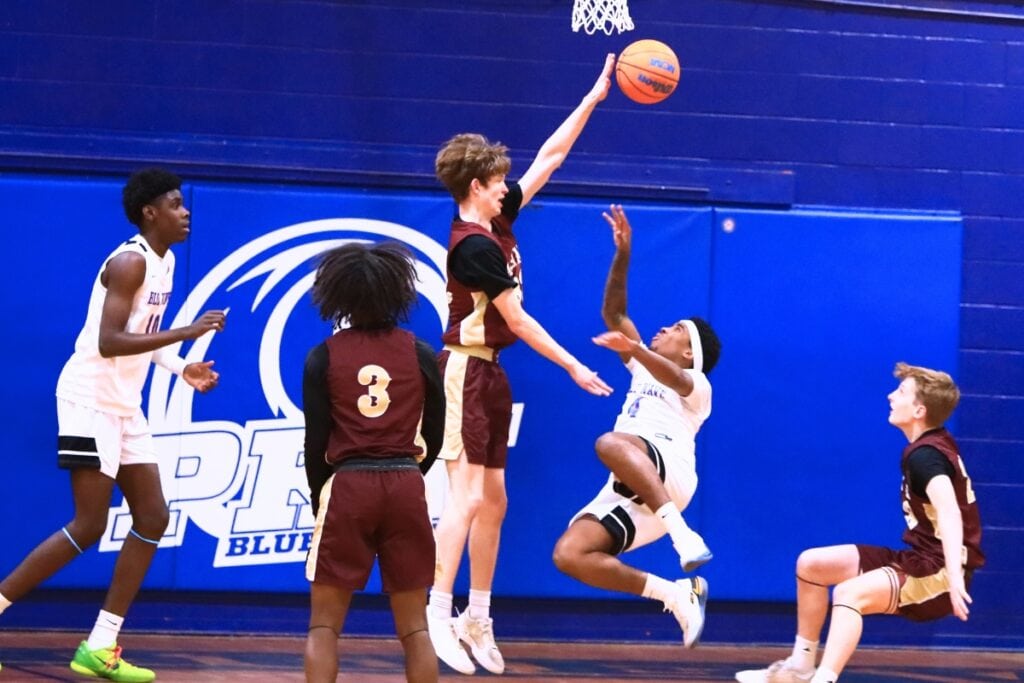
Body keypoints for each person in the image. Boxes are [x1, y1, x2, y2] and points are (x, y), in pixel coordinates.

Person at [426, 55, 617, 675]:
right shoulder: (473, 244)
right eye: (499, 178)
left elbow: (551, 158)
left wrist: (593, 96)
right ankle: (436, 609)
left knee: (496, 498)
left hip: (491, 377)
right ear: (476, 187)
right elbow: (520, 321)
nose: (510, 183)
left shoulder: (498, 220)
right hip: (462, 369)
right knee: (463, 496)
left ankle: (477, 612)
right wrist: (572, 367)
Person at [0, 168, 225, 682]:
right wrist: (190, 331)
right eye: (174, 203)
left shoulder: (164, 264)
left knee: (152, 517)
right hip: (88, 400)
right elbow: (108, 341)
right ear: (150, 212)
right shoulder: (129, 262)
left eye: (183, 203)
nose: (184, 211)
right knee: (89, 524)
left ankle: (100, 645)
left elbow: (142, 333)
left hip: (125, 405)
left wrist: (180, 365)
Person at [735, 362, 984, 683]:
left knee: (849, 594)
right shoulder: (931, 445)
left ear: (919, 410)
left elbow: (949, 512)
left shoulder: (925, 457)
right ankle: (799, 669)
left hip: (938, 568)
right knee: (811, 564)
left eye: (902, 391)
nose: (891, 396)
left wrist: (953, 575)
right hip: (921, 556)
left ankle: (824, 679)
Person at [552, 204, 721, 648]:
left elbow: (674, 376)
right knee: (570, 554)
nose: (664, 328)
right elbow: (613, 313)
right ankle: (675, 593)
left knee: (611, 441)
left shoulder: (697, 385)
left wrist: (636, 350)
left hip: (670, 476)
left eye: (677, 330)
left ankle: (684, 536)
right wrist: (623, 252)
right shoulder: (645, 364)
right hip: (635, 482)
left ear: (690, 352)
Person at [302, 241, 445, 683]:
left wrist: (319, 493)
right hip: (405, 483)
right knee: (416, 628)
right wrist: (408, 474)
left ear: (339, 294)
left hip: (348, 485)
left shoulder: (322, 356)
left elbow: (316, 442)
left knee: (324, 626)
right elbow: (435, 435)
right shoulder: (421, 353)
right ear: (397, 293)